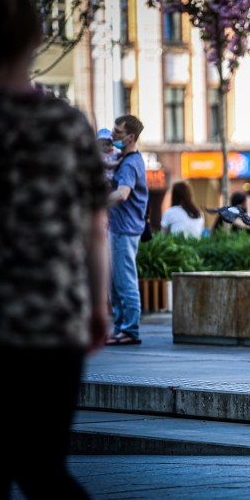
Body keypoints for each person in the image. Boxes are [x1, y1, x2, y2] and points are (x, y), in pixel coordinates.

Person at [0, 0, 108, 500]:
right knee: (44, 466)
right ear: (36, 39)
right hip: (57, 321)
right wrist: (97, 308)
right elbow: (96, 228)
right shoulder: (70, 125)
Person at [106, 114, 148, 346]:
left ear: (130, 137)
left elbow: (123, 193)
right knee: (116, 282)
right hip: (121, 228)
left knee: (125, 281)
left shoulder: (131, 163)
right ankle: (121, 327)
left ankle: (130, 329)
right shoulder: (126, 159)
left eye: (118, 132)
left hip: (125, 229)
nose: (113, 135)